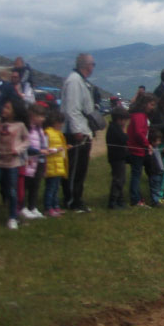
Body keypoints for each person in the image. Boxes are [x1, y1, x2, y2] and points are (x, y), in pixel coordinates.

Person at [61, 53, 97, 213]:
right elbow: (72, 108)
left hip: (84, 129)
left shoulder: (81, 81)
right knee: (74, 168)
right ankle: (71, 200)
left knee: (81, 168)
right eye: (92, 64)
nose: (93, 67)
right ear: (86, 65)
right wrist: (77, 130)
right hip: (75, 132)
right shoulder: (74, 81)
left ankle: (77, 198)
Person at [0, 96, 29, 229]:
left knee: (11, 191)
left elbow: (26, 141)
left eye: (7, 108)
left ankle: (13, 217)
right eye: (4, 107)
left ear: (15, 111)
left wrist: (18, 149)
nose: (4, 109)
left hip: (12, 164)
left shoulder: (20, 126)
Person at [105, 106, 130, 210]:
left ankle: (120, 200)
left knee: (121, 179)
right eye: (124, 120)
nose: (125, 122)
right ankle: (113, 201)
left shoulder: (115, 128)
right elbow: (124, 139)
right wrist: (124, 131)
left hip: (119, 157)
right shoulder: (114, 129)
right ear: (119, 119)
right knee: (118, 180)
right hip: (116, 157)